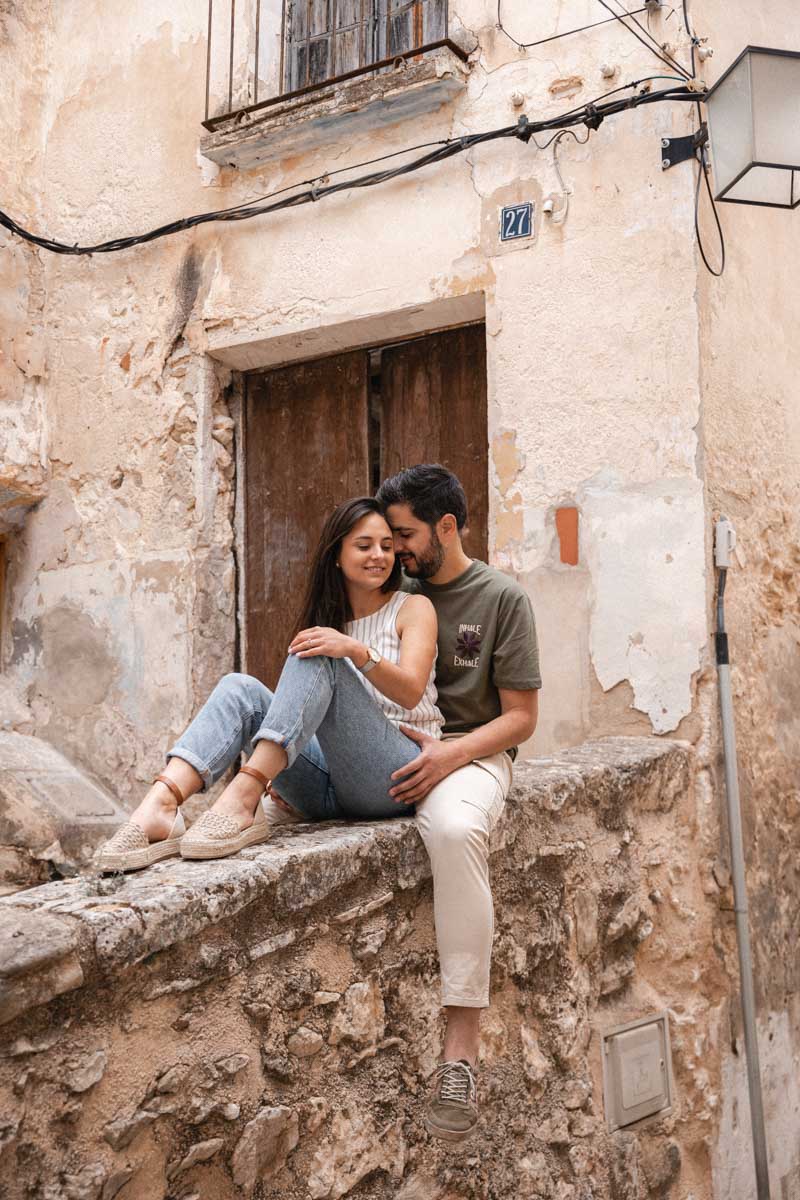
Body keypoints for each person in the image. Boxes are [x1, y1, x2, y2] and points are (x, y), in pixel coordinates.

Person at [94, 496, 442, 871]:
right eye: (364, 546)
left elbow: (411, 691)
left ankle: (245, 796)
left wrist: (355, 651)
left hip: (394, 776)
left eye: (387, 547)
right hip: (326, 788)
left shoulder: (412, 608)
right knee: (239, 689)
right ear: (337, 556)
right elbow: (302, 709)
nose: (379, 555)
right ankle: (161, 804)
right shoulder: (329, 621)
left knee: (321, 651)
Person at [374, 463, 541, 1143]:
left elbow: (521, 718)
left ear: (446, 526)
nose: (395, 549)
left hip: (471, 756)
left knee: (456, 831)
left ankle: (461, 1050)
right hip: (391, 750)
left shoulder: (502, 598)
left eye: (405, 534)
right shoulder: (395, 591)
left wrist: (449, 755)